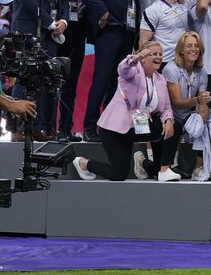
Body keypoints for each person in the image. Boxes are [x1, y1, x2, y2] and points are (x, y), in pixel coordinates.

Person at [80, 0, 163, 142]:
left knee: (119, 83)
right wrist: (101, 10)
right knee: (101, 78)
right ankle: (89, 127)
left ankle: (109, 127)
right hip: (110, 31)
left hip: (128, 33)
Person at [72, 42, 174, 181]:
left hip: (138, 126)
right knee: (118, 174)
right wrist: (135, 58)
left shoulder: (160, 79)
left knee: (171, 127)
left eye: (160, 54)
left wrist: (168, 120)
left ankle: (158, 168)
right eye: (153, 54)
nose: (158, 57)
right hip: (116, 130)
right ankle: (84, 163)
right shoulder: (133, 71)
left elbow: (166, 107)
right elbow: (122, 69)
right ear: (143, 58)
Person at [10, 0, 68, 140]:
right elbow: (27, 1)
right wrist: (51, 23)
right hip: (27, 35)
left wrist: (63, 21)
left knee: (48, 80)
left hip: (50, 36)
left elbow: (63, 1)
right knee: (24, 80)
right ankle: (17, 129)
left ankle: (40, 128)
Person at [48, 0, 95, 142]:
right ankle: (47, 127)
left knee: (72, 80)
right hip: (54, 28)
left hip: (79, 29)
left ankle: (65, 129)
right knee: (51, 79)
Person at [151, 32, 210, 182]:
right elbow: (176, 102)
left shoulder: (202, 72)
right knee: (175, 125)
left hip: (187, 114)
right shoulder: (171, 68)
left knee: (206, 124)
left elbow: (203, 104)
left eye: (196, 46)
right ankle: (164, 166)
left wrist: (202, 118)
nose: (193, 49)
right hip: (168, 114)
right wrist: (197, 100)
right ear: (182, 50)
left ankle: (199, 167)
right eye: (189, 45)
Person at [139, 0, 190, 64]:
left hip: (184, 64)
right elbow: (143, 43)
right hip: (164, 65)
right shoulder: (153, 10)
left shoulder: (185, 6)